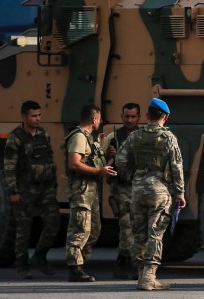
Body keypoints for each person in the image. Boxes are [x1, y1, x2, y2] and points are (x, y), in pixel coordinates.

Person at [115, 98, 185, 290]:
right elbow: (177, 167)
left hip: (137, 191)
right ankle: (149, 276)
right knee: (155, 233)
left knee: (139, 235)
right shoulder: (169, 138)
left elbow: (120, 160)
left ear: (147, 116)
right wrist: (180, 193)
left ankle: (140, 275)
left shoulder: (135, 136)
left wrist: (132, 176)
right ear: (166, 117)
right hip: (159, 191)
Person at [4, 100, 59, 279]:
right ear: (24, 117)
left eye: (39, 115)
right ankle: (22, 263)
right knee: (23, 228)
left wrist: (53, 183)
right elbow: (9, 166)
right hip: (25, 189)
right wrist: (14, 191)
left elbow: (50, 159)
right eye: (34, 116)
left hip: (45, 188)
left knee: (53, 223)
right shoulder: (16, 138)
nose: (38, 119)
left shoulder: (43, 134)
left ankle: (40, 256)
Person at [65, 104, 115, 282]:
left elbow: (94, 161)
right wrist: (99, 172)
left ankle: (81, 262)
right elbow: (74, 163)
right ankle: (74, 268)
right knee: (79, 228)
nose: (99, 122)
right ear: (94, 119)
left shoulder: (89, 138)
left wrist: (106, 155)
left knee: (94, 229)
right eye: (99, 119)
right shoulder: (78, 137)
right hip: (81, 190)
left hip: (90, 191)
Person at [102, 102, 141, 280]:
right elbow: (100, 161)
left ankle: (122, 260)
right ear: (122, 116)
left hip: (139, 187)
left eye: (133, 116)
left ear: (139, 117)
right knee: (127, 226)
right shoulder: (113, 137)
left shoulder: (143, 137)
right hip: (121, 187)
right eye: (126, 116)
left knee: (138, 227)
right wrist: (109, 156)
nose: (129, 120)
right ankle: (131, 264)